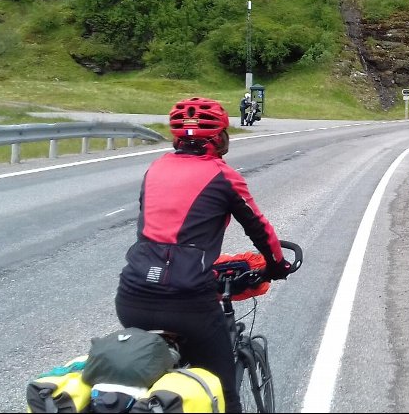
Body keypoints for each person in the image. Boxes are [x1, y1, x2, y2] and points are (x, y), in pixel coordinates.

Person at [115, 97, 292, 413]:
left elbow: (151, 228)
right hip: (189, 301)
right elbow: (259, 228)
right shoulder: (222, 175)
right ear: (219, 138)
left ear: (176, 137)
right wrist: (277, 266)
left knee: (144, 384)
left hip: (132, 297)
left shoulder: (154, 169)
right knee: (222, 393)